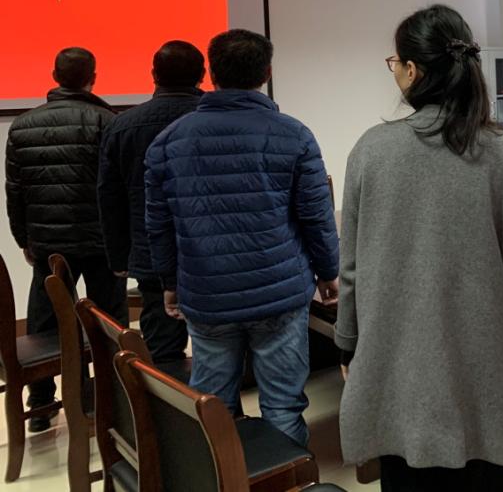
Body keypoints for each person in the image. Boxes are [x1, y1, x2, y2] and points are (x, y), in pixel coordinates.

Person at [336, 4, 503, 492]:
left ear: (412, 71)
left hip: (395, 367)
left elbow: (352, 266)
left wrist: (348, 342)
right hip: (484, 369)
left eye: (395, 64)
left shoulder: (371, 149)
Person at [145, 29, 339, 446]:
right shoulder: (294, 134)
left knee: (213, 407)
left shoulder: (169, 141)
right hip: (279, 292)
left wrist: (169, 282)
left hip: (207, 294)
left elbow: (159, 225)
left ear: (212, 74)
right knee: (284, 406)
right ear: (266, 73)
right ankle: (286, 473)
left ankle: (225, 474)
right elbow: (315, 215)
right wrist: (328, 272)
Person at [5, 47, 126, 432]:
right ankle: (110, 398)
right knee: (109, 319)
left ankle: (41, 404)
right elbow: (117, 189)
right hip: (101, 240)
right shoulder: (108, 121)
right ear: (94, 77)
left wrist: (23, 239)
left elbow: (15, 191)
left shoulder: (22, 125)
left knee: (44, 320)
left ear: (54, 76)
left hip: (48, 242)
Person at [97, 41, 205, 366]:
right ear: (202, 75)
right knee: (221, 346)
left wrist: (118, 256)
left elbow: (110, 196)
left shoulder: (123, 125)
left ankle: (169, 397)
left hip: (151, 251)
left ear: (153, 74)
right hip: (215, 249)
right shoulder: (221, 120)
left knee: (162, 349)